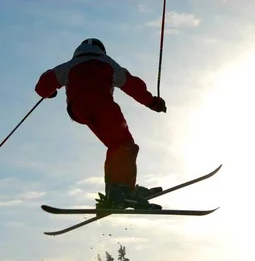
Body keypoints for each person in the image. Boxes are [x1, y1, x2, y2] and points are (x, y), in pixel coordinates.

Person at [34, 38, 167, 210]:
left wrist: (49, 93)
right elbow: (132, 84)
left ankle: (120, 189)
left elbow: (43, 84)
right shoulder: (107, 63)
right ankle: (122, 192)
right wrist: (151, 102)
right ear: (101, 50)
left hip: (77, 109)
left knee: (115, 145)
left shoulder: (69, 65)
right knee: (124, 145)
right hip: (101, 103)